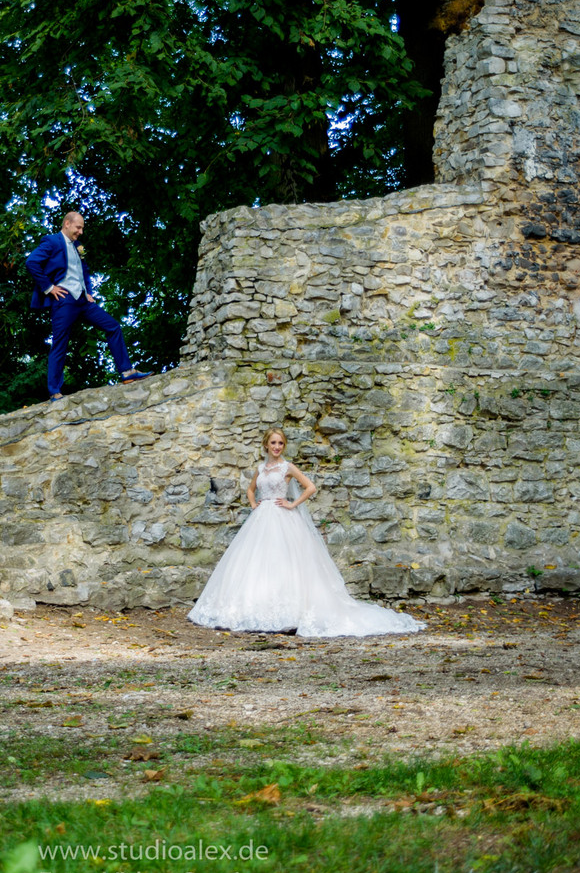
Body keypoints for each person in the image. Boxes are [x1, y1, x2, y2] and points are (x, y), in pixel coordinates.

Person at [188, 429, 423, 638]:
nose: (277, 447)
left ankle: (291, 612)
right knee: (258, 563)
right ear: (266, 445)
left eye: (281, 443)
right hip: (261, 518)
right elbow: (251, 491)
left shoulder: (287, 467)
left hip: (283, 516)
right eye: (273, 443)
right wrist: (254, 505)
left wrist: (292, 504)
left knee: (286, 562)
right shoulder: (260, 468)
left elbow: (311, 487)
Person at [27, 211, 149, 402]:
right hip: (64, 300)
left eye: (82, 228)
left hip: (83, 301)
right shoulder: (52, 241)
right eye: (78, 227)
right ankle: (54, 392)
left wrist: (88, 291)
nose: (81, 232)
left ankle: (126, 372)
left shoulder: (78, 247)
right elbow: (32, 262)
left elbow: (84, 271)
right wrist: (49, 288)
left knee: (113, 326)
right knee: (60, 343)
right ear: (67, 224)